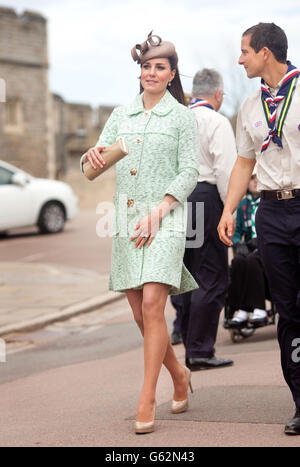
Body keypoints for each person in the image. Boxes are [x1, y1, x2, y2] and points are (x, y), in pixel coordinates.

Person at [80, 32, 199, 434]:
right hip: (127, 219)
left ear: (171, 74)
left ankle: (148, 397)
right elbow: (91, 166)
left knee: (153, 304)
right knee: (139, 312)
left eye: (159, 67)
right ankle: (179, 375)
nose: (151, 72)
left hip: (165, 217)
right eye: (146, 66)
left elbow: (189, 171)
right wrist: (90, 156)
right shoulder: (121, 115)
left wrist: (162, 209)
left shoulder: (183, 117)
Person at [218, 22, 300, 435]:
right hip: (270, 211)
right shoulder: (250, 107)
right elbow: (244, 163)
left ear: (265, 52)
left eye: (245, 51)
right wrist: (229, 209)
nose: (240, 59)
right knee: (287, 308)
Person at [173, 68, 237, 371]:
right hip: (206, 197)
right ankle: (200, 350)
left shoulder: (178, 120)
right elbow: (226, 170)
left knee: (186, 274)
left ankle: (189, 343)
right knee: (211, 274)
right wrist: (230, 211)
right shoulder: (216, 121)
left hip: (178, 199)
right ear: (218, 94)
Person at [228, 172, 268, 326]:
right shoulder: (243, 205)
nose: (255, 181)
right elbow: (236, 232)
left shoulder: (266, 202)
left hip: (264, 248)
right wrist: (238, 243)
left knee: (252, 260)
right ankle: (242, 309)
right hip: (249, 247)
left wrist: (256, 242)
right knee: (238, 261)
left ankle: (259, 308)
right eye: (251, 177)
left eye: (258, 177)